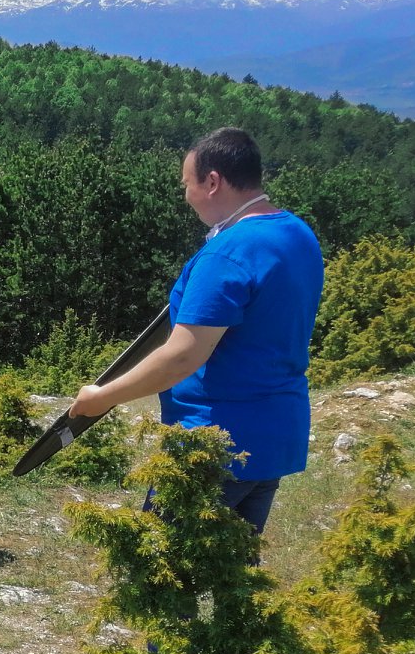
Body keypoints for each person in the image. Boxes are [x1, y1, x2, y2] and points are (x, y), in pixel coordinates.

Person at [68, 127, 324, 535]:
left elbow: (185, 354)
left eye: (186, 183)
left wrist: (102, 398)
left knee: (157, 574)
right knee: (232, 580)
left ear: (212, 181)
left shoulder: (227, 254)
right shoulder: (297, 234)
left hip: (212, 444)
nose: (184, 194)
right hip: (275, 433)